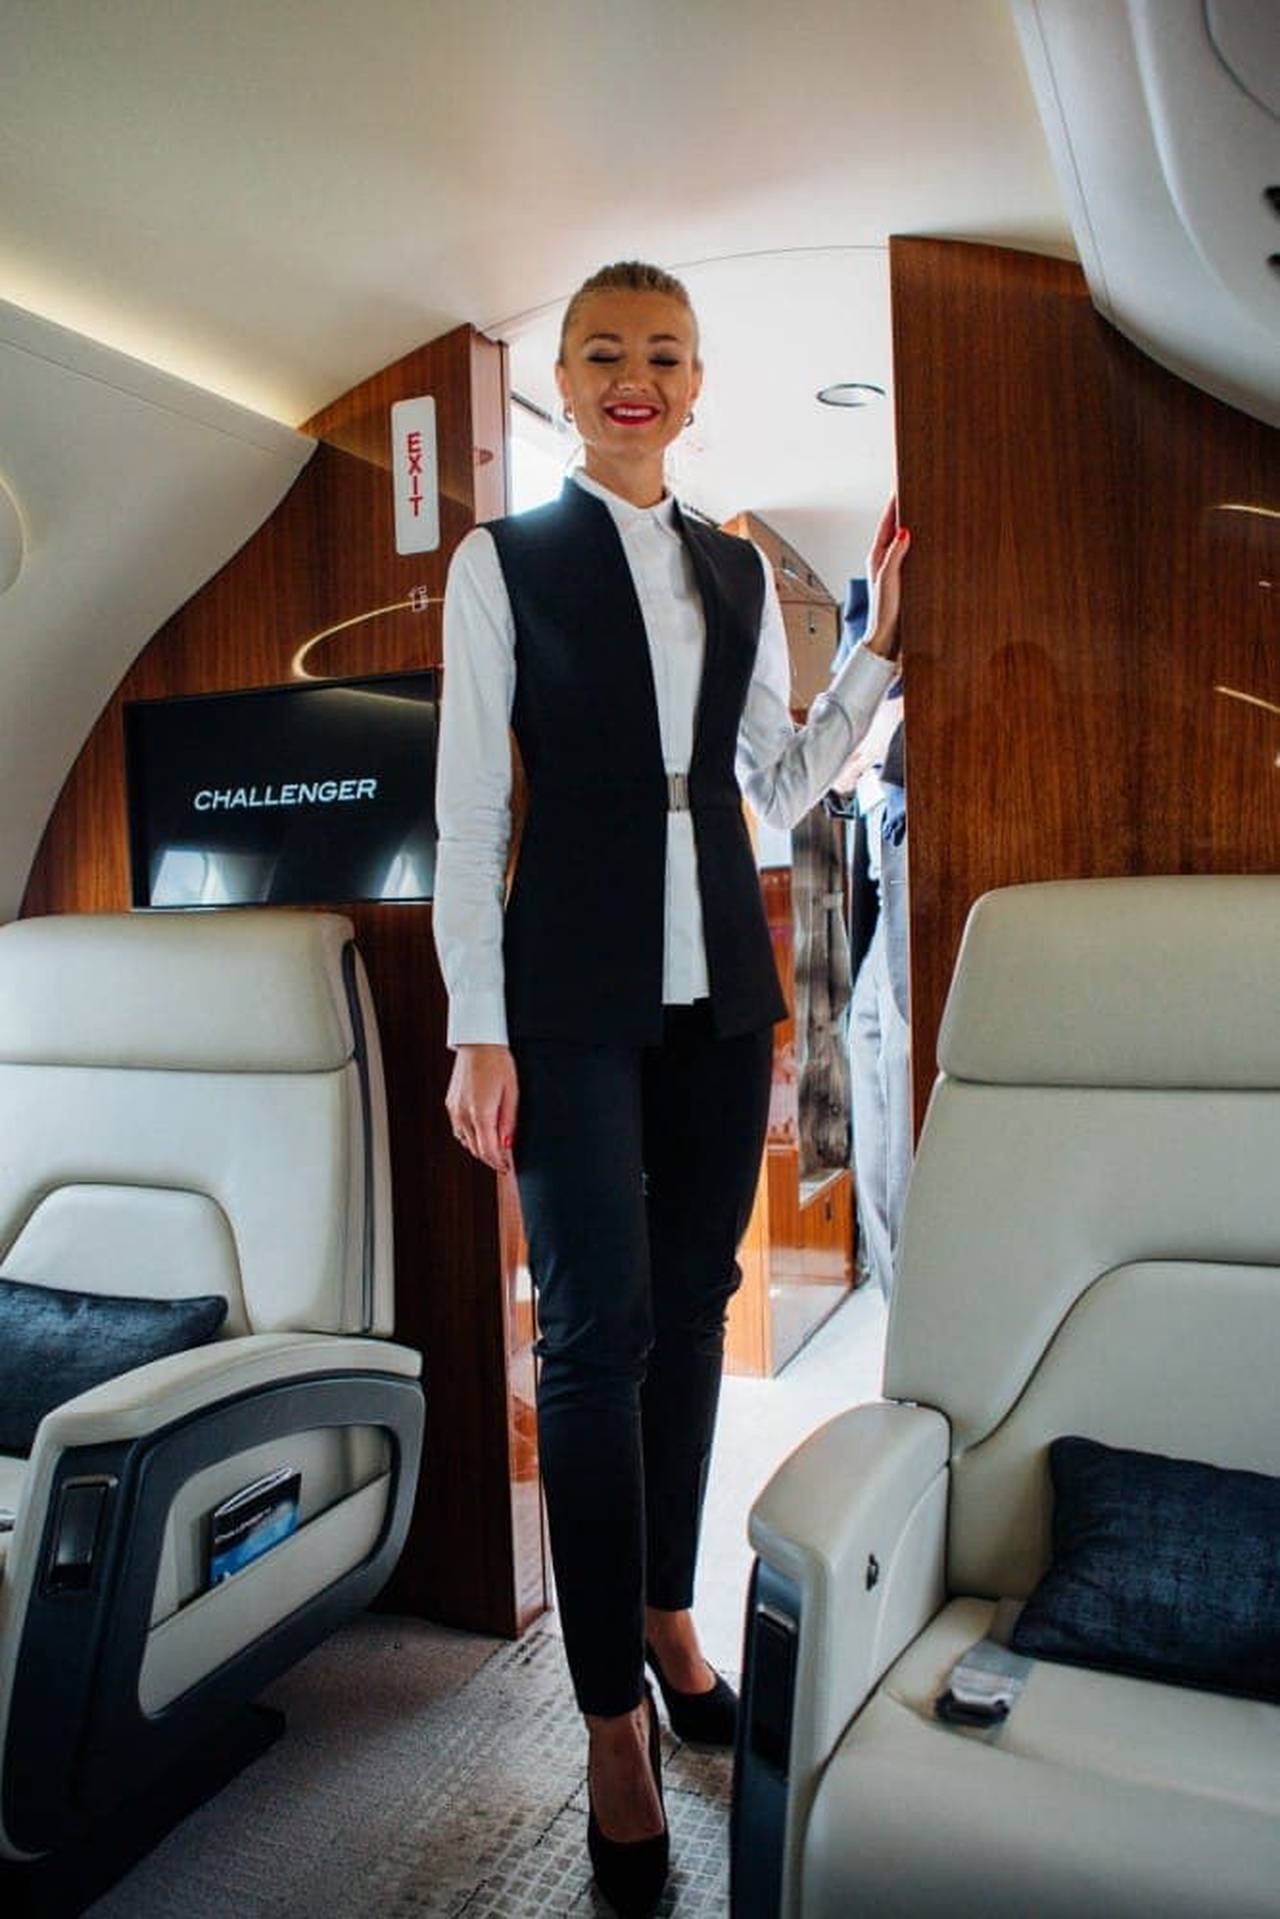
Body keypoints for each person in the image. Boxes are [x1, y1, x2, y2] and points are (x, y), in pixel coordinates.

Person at [433, 259, 908, 1916]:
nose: (634, 375)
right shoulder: (501, 560)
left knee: (695, 1309)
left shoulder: (731, 565)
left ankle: (665, 1616)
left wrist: (874, 656)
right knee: (592, 1335)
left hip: (720, 998)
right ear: (569, 382)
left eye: (664, 353)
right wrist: (474, 1025)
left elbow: (774, 782)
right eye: (603, 353)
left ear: (697, 387)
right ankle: (606, 1723)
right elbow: (470, 812)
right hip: (563, 995)